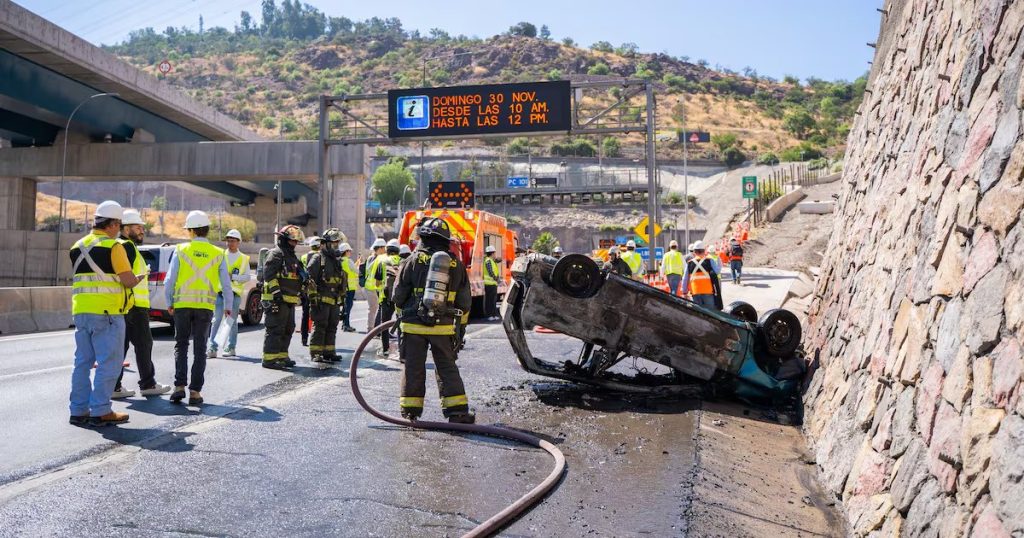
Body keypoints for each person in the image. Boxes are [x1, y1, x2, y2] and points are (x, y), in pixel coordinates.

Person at [69, 201, 144, 426]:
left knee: (82, 363)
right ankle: (101, 410)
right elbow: (127, 280)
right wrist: (138, 279)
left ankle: (78, 410)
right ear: (111, 224)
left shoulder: (76, 247)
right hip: (108, 313)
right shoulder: (114, 247)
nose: (119, 229)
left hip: (81, 312)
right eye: (118, 225)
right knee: (110, 364)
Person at [393, 218, 475, 424]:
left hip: (413, 325)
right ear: (446, 241)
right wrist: (459, 331)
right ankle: (457, 412)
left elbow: (397, 296)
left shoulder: (412, 260)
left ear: (423, 237)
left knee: (414, 366)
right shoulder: (455, 264)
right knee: (447, 367)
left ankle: (410, 412)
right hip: (444, 326)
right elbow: (465, 303)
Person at [164, 210, 233, 406]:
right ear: (206, 230)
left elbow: (170, 279)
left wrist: (169, 301)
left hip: (182, 306)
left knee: (181, 345)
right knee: (200, 349)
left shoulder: (181, 249)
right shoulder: (218, 253)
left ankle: (179, 387)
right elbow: (226, 284)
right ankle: (195, 392)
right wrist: (228, 306)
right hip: (204, 307)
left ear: (192, 231)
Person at [111, 208, 170, 399]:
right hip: (133, 306)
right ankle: (147, 384)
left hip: (128, 305)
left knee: (123, 346)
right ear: (125, 228)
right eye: (138, 227)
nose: (142, 231)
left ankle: (115, 386)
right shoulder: (125, 246)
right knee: (144, 344)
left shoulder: (123, 246)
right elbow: (123, 276)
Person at [261, 225, 306, 370]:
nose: (295, 244)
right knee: (275, 328)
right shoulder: (276, 253)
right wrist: (277, 294)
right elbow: (269, 275)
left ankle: (281, 356)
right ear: (284, 239)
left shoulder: (291, 256)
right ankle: (269, 359)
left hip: (289, 299)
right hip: (276, 299)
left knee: (288, 328)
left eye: (296, 241)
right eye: (292, 241)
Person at [207, 229, 250, 358]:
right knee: (216, 320)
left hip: (234, 294)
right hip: (221, 294)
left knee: (230, 321)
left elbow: (247, 277)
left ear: (238, 242)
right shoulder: (221, 255)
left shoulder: (243, 258)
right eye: (228, 241)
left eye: (232, 241)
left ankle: (231, 347)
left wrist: (234, 277)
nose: (229, 243)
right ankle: (212, 348)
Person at [307, 228, 346, 364]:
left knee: (332, 326)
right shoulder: (318, 258)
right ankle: (316, 353)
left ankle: (329, 352)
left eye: (337, 243)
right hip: (321, 300)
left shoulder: (336, 260)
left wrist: (342, 300)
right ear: (326, 244)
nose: (336, 246)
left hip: (334, 299)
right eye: (334, 243)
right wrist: (313, 299)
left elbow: (340, 280)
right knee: (320, 326)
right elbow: (309, 279)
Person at [374, 239, 402, 358]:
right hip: (400, 298)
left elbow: (377, 282)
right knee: (401, 324)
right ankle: (402, 350)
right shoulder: (403, 261)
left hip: (386, 298)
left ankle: (385, 349)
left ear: (387, 249)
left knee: (384, 325)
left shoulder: (382, 261)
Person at [682, 240, 722, 310]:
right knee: (711, 313)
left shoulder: (689, 263)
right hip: (708, 291)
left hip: (695, 292)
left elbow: (685, 279)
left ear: (694, 252)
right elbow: (717, 271)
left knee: (698, 313)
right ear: (704, 251)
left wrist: (685, 292)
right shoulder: (709, 261)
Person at [299, 236, 321, 346]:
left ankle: (304, 338)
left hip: (305, 289)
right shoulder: (320, 257)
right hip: (317, 289)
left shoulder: (303, 257)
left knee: (305, 313)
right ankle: (315, 340)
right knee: (317, 315)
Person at [364, 238, 387, 332]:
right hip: (374, 287)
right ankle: (372, 329)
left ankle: (372, 328)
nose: (385, 250)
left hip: (369, 286)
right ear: (380, 248)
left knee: (373, 309)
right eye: (384, 248)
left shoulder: (370, 258)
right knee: (375, 309)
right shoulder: (379, 258)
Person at [339, 243, 359, 332]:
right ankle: (346, 325)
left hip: (341, 287)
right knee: (348, 306)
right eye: (349, 251)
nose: (350, 252)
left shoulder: (338, 261)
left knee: (344, 306)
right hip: (349, 288)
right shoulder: (348, 261)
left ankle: (344, 324)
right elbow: (357, 271)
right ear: (346, 251)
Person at [483, 245, 501, 321]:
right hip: (489, 284)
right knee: (490, 301)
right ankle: (489, 315)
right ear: (492, 253)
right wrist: (496, 279)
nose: (495, 255)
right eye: (494, 253)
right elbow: (490, 272)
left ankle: (493, 315)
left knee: (493, 301)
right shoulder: (488, 261)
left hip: (493, 284)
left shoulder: (491, 260)